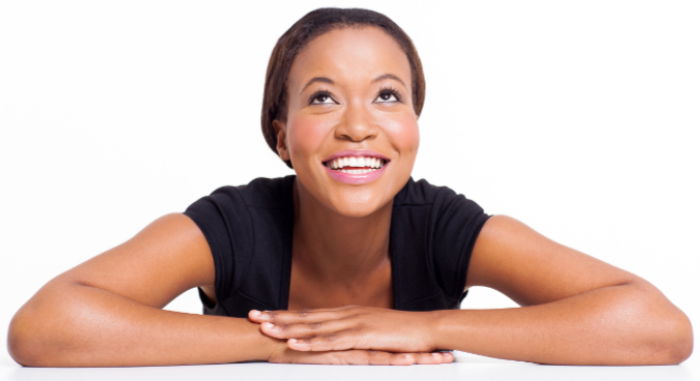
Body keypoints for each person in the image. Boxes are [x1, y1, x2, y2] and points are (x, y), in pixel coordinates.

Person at [7, 7, 692, 367]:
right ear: (282, 134)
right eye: (324, 98)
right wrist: (280, 344)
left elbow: (659, 329)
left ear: (414, 125)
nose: (359, 127)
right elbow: (43, 327)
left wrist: (413, 328)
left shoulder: (444, 226)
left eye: (388, 96)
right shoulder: (235, 224)